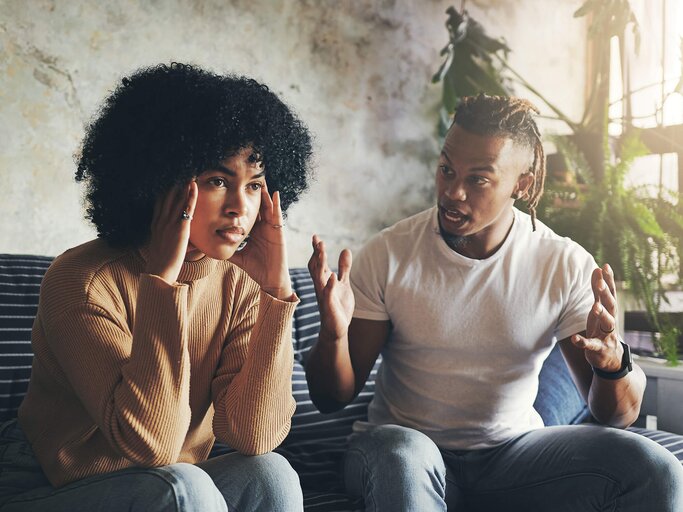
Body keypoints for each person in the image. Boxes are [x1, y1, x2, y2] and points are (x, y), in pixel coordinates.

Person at [306, 94, 683, 511]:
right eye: (447, 169)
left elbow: (619, 416)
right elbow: (331, 397)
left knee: (655, 470)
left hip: (511, 455)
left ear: (522, 183)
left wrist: (612, 365)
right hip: (404, 449)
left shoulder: (563, 263)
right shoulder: (390, 253)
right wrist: (333, 335)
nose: (452, 192)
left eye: (478, 179)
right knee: (402, 454)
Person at [0, 62, 313, 511]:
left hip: (167, 483)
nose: (240, 207)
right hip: (48, 484)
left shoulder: (240, 284)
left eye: (256, 185)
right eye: (218, 181)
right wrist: (162, 284)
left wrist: (276, 296)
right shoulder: (84, 281)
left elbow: (254, 435)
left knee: (270, 472)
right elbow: (154, 444)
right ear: (160, 180)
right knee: (183, 488)